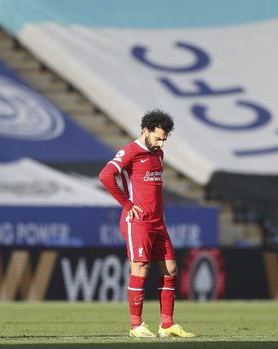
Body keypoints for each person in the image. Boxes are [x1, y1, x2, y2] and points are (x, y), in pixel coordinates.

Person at [98, 110, 196, 338]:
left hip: (157, 222)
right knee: (141, 268)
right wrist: (126, 203)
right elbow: (105, 175)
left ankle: (167, 325)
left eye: (164, 138)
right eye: (158, 137)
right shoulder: (131, 151)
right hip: (137, 222)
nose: (161, 142)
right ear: (145, 130)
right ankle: (135, 326)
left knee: (170, 269)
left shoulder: (158, 153)